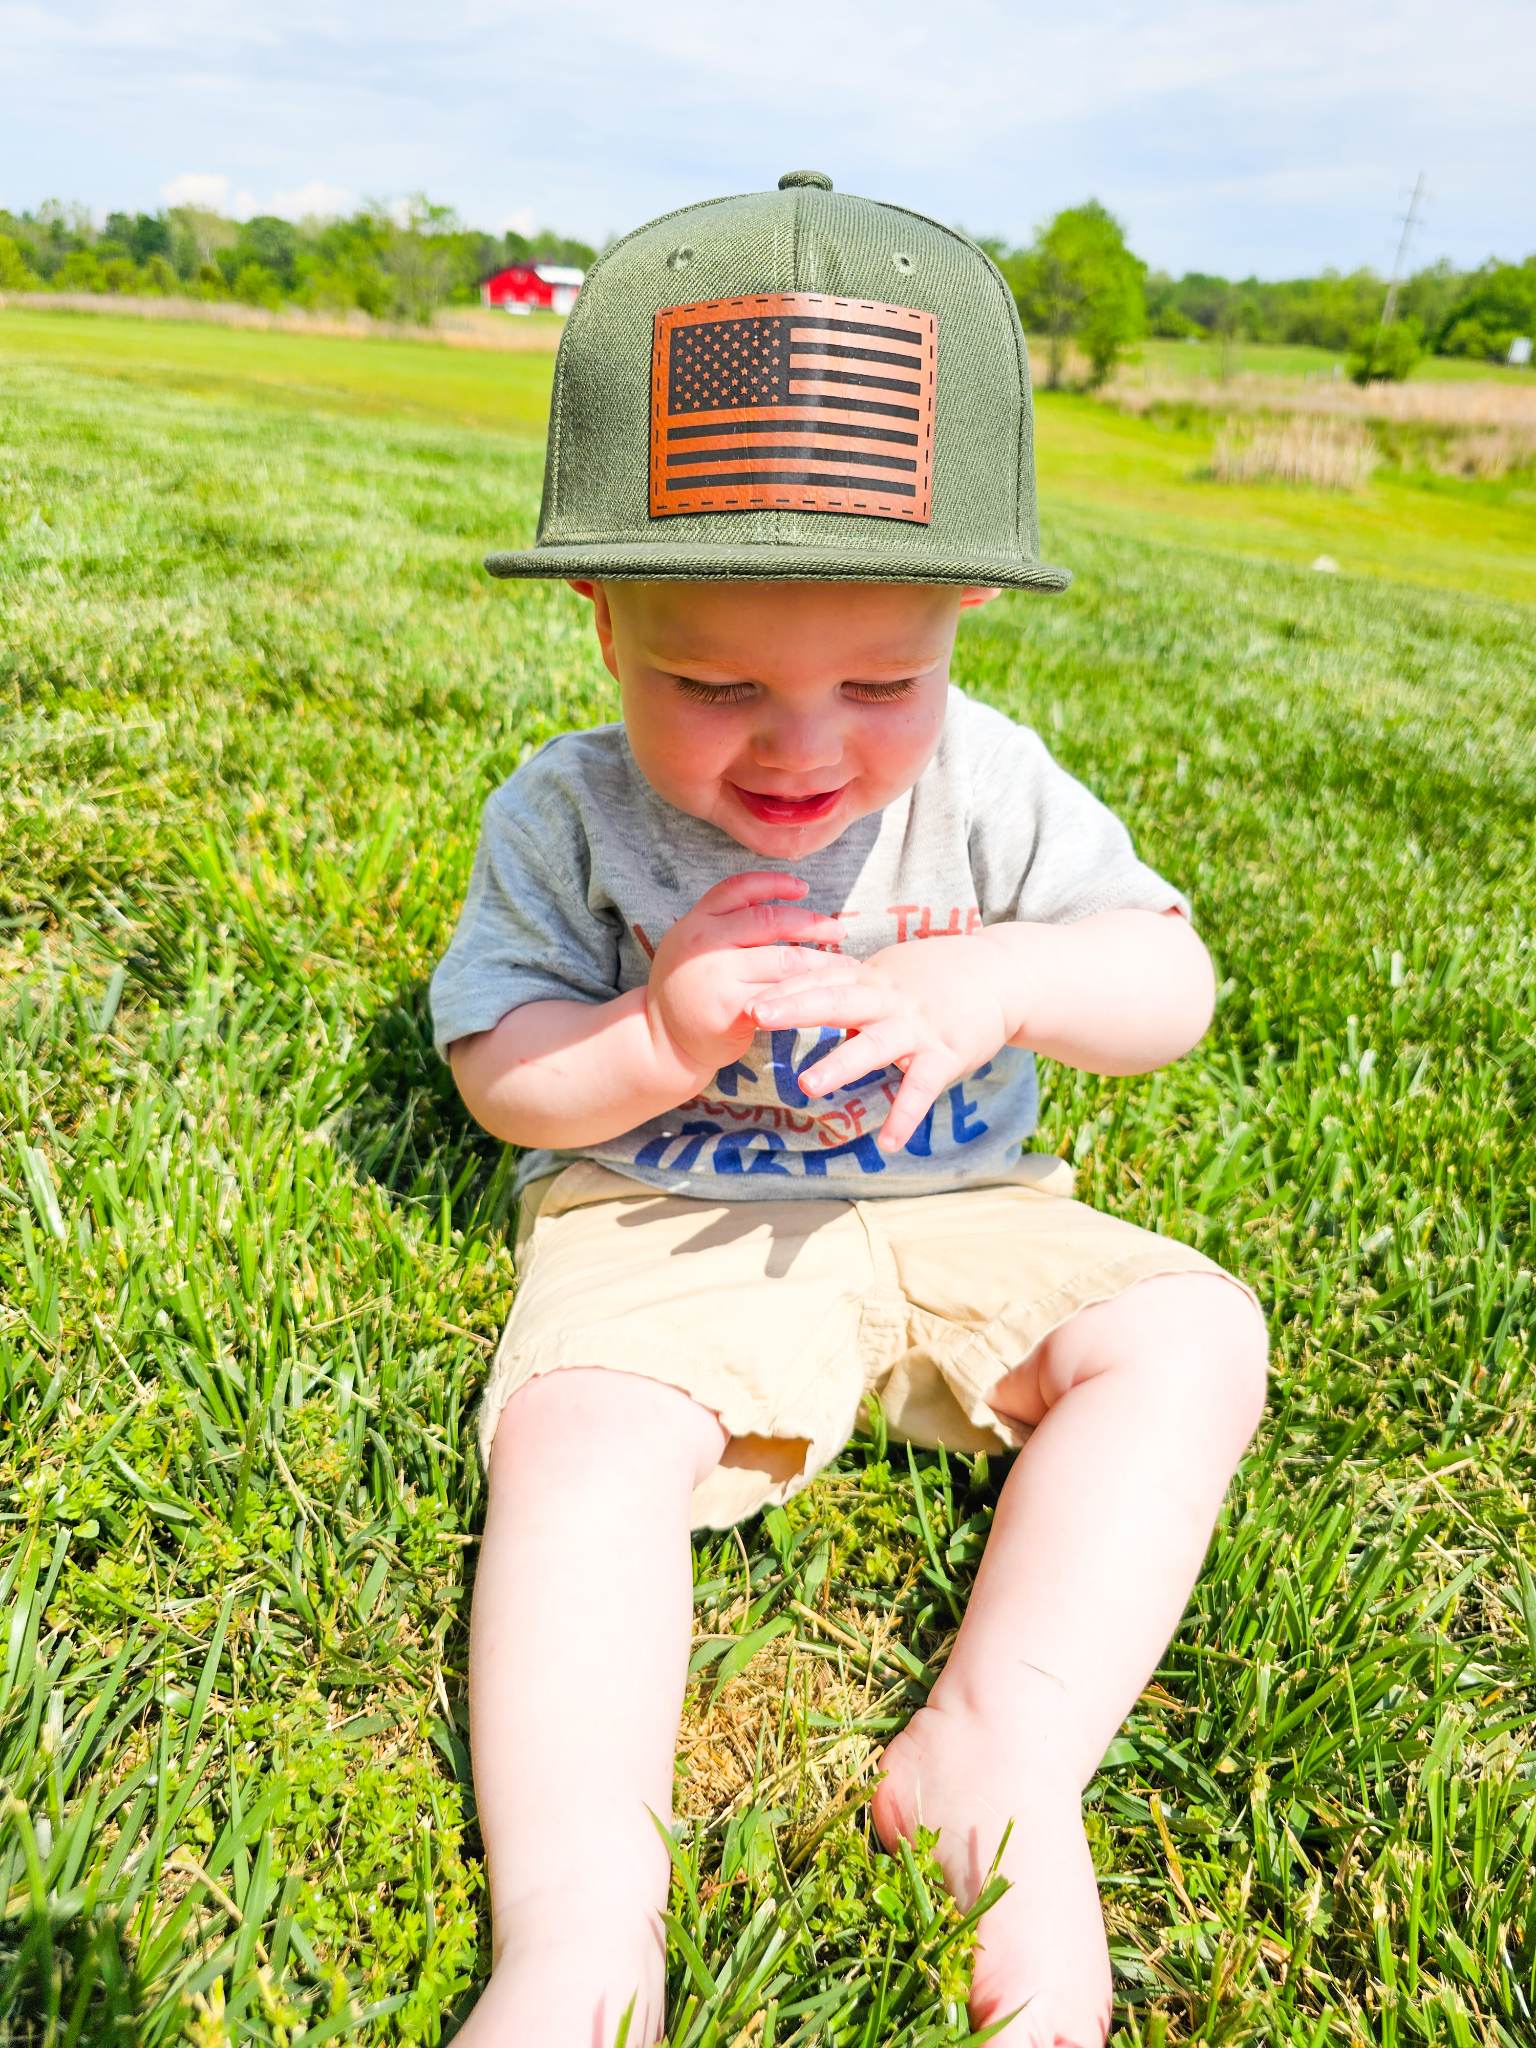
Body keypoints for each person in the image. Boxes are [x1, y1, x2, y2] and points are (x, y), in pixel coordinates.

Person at [432, 169, 1268, 2048]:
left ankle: (999, 1752)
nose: (802, 748)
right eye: (715, 680)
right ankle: (578, 1927)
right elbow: (504, 1081)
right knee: (577, 1446)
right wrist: (650, 1034)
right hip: (663, 1225)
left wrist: (999, 979)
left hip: (975, 1207)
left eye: (880, 680)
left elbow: (1173, 987)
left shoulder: (1001, 782)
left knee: (1197, 1336)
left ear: (967, 608)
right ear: (600, 625)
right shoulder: (564, 819)